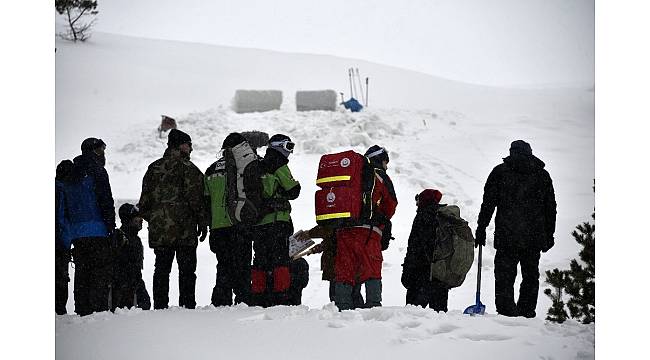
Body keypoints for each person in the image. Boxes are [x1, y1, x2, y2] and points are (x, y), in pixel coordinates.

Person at [475, 140, 557, 318]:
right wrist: (549, 234)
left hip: (507, 236)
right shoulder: (542, 175)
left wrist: (481, 227)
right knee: (530, 276)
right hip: (533, 237)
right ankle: (526, 312)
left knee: (504, 276)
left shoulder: (500, 172)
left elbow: (488, 203)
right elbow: (550, 208)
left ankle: (506, 312)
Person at [139, 129, 209, 309]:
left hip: (160, 231)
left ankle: (160, 306)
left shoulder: (153, 168)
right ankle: (187, 306)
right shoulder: (189, 170)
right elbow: (197, 200)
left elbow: (144, 202)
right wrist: (202, 222)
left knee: (161, 270)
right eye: (188, 144)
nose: (191, 148)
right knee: (187, 271)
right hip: (185, 231)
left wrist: (157, 220)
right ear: (180, 145)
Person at [333, 145, 398, 310]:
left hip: (343, 229)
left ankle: (342, 308)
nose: (387, 166)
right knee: (371, 269)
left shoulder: (349, 176)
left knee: (345, 270)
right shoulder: (379, 176)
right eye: (386, 162)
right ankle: (373, 308)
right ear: (380, 160)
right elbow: (391, 204)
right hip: (368, 231)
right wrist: (380, 218)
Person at [61, 138, 115, 315]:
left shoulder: (70, 172)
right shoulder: (98, 171)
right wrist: (111, 227)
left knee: (82, 273)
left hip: (77, 233)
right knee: (99, 273)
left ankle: (82, 310)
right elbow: (105, 201)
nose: (104, 154)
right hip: (98, 230)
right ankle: (98, 311)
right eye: (101, 150)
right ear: (94, 151)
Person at [250, 134, 301, 307]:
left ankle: (259, 296)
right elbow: (293, 190)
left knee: (260, 260)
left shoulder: (257, 166)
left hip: (258, 222)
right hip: (277, 221)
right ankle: (281, 296)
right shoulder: (279, 164)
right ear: (278, 147)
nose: (290, 152)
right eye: (288, 146)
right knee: (280, 260)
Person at [204, 136, 252, 306]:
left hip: (217, 228)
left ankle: (221, 301)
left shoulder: (210, 170)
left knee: (223, 266)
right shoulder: (244, 167)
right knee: (243, 267)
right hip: (238, 225)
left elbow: (205, 201)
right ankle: (243, 301)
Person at [401, 189, 450, 312]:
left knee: (414, 317)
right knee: (440, 318)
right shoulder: (443, 217)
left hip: (420, 275)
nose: (417, 204)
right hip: (440, 275)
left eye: (418, 201)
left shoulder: (422, 217)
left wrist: (407, 272)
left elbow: (414, 247)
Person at [295, 226, 364, 308]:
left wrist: (309, 234)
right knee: (353, 294)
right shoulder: (349, 229)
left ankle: (345, 313)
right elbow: (331, 239)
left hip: (338, 267)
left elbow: (330, 235)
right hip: (348, 266)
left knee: (338, 296)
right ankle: (355, 312)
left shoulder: (339, 227)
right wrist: (318, 247)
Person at [111, 203, 150, 310]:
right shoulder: (120, 237)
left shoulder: (135, 238)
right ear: (128, 220)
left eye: (141, 220)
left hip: (134, 281)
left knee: (145, 304)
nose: (140, 222)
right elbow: (118, 264)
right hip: (124, 284)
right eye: (136, 220)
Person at [55, 160, 74, 315]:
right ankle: (60, 311)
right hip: (60, 243)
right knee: (61, 278)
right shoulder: (63, 192)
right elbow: (62, 221)